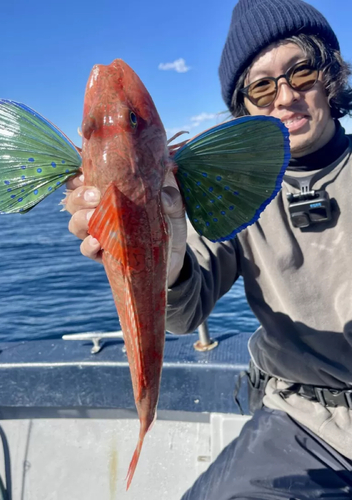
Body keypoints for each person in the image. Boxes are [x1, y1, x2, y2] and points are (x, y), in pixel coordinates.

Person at [65, 0, 352, 497]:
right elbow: (184, 311)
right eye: (262, 85)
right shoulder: (231, 192)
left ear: (330, 76)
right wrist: (168, 264)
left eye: (300, 73)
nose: (284, 96)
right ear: (244, 105)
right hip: (303, 419)